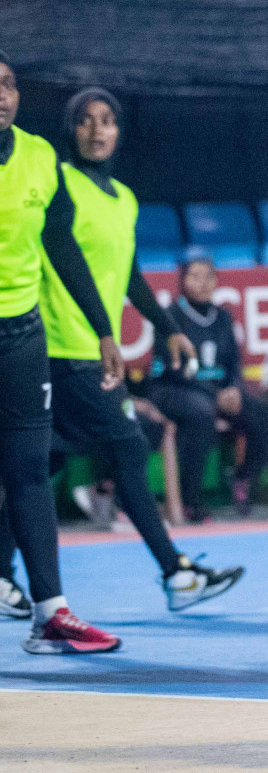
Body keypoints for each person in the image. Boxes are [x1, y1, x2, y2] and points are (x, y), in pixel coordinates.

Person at [2, 87, 246, 613]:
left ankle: (4, 574)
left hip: (92, 345)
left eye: (107, 120)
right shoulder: (56, 179)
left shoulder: (124, 198)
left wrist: (164, 325)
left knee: (41, 463)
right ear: (72, 129)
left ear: (118, 130)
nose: (97, 129)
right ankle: (175, 573)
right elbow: (59, 257)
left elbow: (128, 274)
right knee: (127, 444)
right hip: (56, 343)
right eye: (86, 120)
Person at [0, 54, 123, 651]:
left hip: (19, 336)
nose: (1, 95)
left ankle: (50, 612)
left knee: (27, 470)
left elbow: (61, 248)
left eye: (7, 84)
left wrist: (103, 328)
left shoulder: (38, 158)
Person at [146, 256, 268, 521]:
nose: (202, 283)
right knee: (200, 413)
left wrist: (233, 389)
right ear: (182, 281)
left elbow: (233, 364)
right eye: (194, 276)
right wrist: (215, 395)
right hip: (172, 390)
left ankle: (242, 478)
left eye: (208, 277)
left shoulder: (223, 318)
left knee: (264, 412)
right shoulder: (169, 317)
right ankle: (190, 500)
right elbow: (173, 369)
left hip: (215, 391)